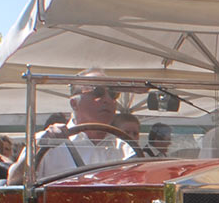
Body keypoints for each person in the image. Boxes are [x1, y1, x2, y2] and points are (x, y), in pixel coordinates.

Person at [7, 73, 136, 183]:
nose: (108, 100)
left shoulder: (126, 149)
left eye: (113, 94)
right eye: (98, 92)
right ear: (74, 103)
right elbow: (14, 182)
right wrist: (38, 147)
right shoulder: (46, 141)